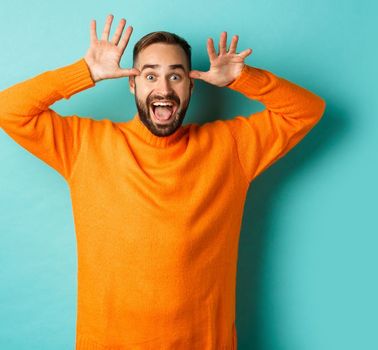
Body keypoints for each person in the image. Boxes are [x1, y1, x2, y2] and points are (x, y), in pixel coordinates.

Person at [0, 14, 325, 349]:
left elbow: (307, 110)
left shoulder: (230, 147)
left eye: (176, 76)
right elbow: (9, 109)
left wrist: (243, 78)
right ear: (132, 83)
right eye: (150, 75)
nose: (164, 89)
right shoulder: (84, 145)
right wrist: (84, 72)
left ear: (191, 85)